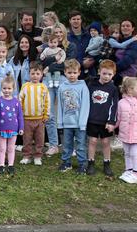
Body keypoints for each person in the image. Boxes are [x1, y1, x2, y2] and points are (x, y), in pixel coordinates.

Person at [44, 22, 78, 156]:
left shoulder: (71, 46)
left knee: (69, 111)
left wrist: (50, 65)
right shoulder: (48, 46)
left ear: (64, 33)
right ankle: (53, 144)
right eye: (55, 32)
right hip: (48, 80)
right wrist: (52, 62)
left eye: (60, 32)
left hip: (64, 80)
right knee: (49, 112)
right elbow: (42, 62)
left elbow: (68, 65)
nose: (58, 35)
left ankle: (71, 146)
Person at [86, 60, 119, 176]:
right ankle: (90, 163)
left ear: (113, 74)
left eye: (109, 74)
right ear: (99, 72)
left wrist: (111, 122)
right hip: (92, 120)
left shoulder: (113, 89)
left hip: (106, 122)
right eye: (104, 73)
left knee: (105, 142)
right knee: (92, 141)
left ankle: (107, 163)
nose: (106, 76)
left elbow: (114, 106)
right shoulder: (91, 85)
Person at [57, 59, 90, 174]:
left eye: (74, 73)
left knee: (80, 145)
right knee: (66, 144)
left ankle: (82, 164)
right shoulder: (62, 87)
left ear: (79, 72)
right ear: (65, 72)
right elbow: (60, 106)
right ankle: (66, 162)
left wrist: (82, 123)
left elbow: (86, 105)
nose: (72, 75)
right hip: (67, 123)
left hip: (79, 123)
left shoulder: (82, 87)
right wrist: (60, 122)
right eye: (69, 72)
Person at [18, 62, 50, 166]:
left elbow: (47, 101)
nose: (35, 76)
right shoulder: (25, 86)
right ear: (29, 74)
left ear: (41, 75)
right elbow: (20, 101)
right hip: (27, 118)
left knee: (39, 139)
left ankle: (37, 156)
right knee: (27, 139)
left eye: (37, 73)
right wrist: (20, 115)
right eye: (32, 73)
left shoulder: (43, 87)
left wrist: (46, 115)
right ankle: (26, 156)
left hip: (40, 119)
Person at [0, 75, 24, 175]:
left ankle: (10, 165)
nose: (7, 91)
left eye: (9, 88)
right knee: (2, 148)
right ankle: (1, 165)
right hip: (1, 129)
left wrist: (21, 127)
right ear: (1, 88)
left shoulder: (16, 102)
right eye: (4, 88)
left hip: (13, 129)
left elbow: (20, 116)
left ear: (13, 89)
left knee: (11, 148)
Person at [114, 19, 137, 83]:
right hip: (116, 74)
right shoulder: (120, 42)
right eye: (123, 26)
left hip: (126, 78)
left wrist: (111, 68)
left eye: (128, 26)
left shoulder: (135, 44)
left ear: (132, 29)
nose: (125, 27)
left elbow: (126, 62)